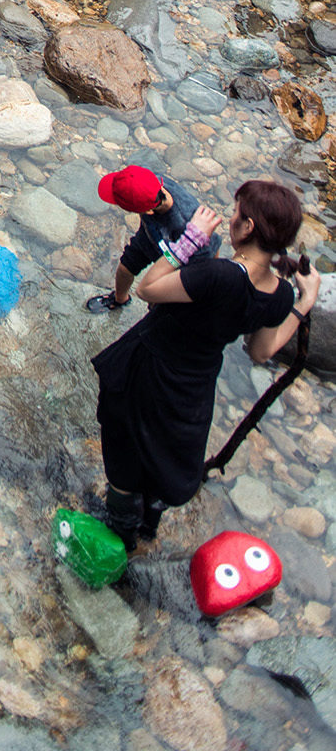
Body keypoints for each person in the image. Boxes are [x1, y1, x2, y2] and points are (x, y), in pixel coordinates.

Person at [90, 179, 317, 548]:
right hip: (195, 387)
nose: (230, 219)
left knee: (123, 447)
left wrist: (189, 241)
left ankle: (121, 527)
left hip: (149, 370)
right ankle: (148, 522)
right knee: (166, 452)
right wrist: (304, 304)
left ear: (248, 228)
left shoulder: (218, 276)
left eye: (236, 214)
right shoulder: (281, 294)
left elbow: (148, 289)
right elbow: (261, 352)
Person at [86, 164, 220, 317]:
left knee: (157, 303)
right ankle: (120, 298)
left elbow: (211, 248)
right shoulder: (151, 183)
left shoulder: (186, 223)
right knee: (125, 269)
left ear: (149, 211)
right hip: (150, 237)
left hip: (175, 259)